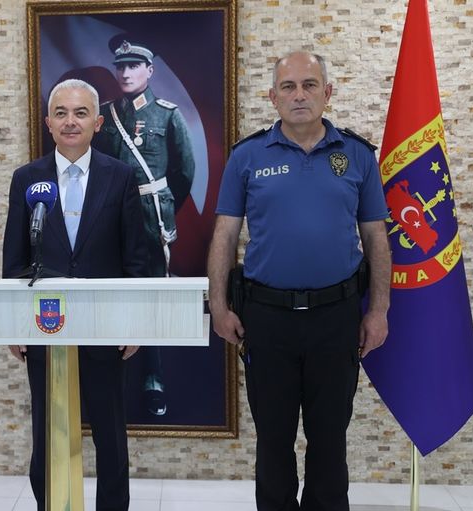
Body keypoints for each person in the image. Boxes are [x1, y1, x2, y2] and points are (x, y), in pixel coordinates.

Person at [207, 52, 391, 511]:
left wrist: (378, 311)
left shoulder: (357, 155)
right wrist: (219, 305)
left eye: (309, 85)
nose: (299, 95)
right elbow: (225, 235)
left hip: (337, 319)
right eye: (288, 87)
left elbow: (376, 237)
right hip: (267, 320)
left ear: (328, 93)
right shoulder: (247, 156)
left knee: (329, 440)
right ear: (273, 97)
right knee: (273, 439)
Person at [3, 78, 148, 511]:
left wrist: (133, 322)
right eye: (61, 113)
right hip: (45, 325)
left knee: (110, 434)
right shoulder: (27, 178)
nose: (70, 121)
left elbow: (136, 257)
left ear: (97, 122)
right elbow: (14, 258)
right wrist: (15, 324)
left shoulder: (120, 176)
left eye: (81, 113)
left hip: (104, 325)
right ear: (48, 122)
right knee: (48, 432)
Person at [93, 38, 196, 416]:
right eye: (120, 66)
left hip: (151, 215)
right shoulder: (104, 115)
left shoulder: (167, 115)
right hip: (109, 216)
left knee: (150, 292)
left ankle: (153, 375)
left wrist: (163, 208)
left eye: (133, 66)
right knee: (109, 290)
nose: (125, 73)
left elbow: (184, 173)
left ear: (149, 71)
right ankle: (109, 372)